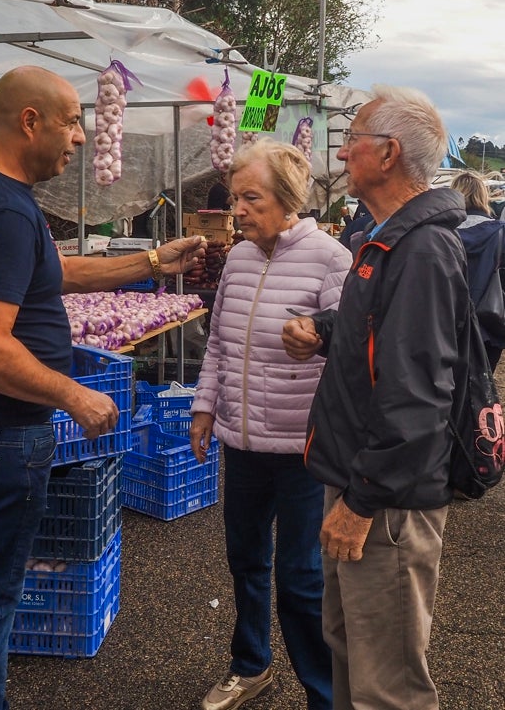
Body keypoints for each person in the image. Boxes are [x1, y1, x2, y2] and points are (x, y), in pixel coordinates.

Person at [0, 65, 206, 710]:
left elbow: (54, 273)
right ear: (31, 121)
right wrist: (74, 395)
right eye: (73, 121)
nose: (81, 138)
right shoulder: (3, 210)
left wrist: (148, 262)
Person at [282, 85, 470, 710]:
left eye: (351, 139)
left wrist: (360, 504)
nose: (340, 155)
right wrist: (328, 331)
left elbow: (418, 400)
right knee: (349, 647)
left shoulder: (421, 248)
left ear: (386, 154)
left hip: (385, 500)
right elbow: (388, 334)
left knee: (387, 682)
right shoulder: (388, 236)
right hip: (363, 481)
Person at [190, 139, 352, 710]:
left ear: (287, 201)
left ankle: (323, 692)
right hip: (243, 441)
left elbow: (354, 352)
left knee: (302, 580)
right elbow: (218, 347)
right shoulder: (236, 259)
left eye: (249, 198)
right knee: (246, 560)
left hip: (303, 448)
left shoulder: (332, 260)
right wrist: (205, 407)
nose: (237, 209)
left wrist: (317, 341)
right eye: (236, 198)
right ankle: (250, 665)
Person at [450, 169, 505, 370]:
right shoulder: (500, 232)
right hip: (489, 325)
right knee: (483, 391)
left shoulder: (440, 233)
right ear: (483, 195)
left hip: (446, 326)